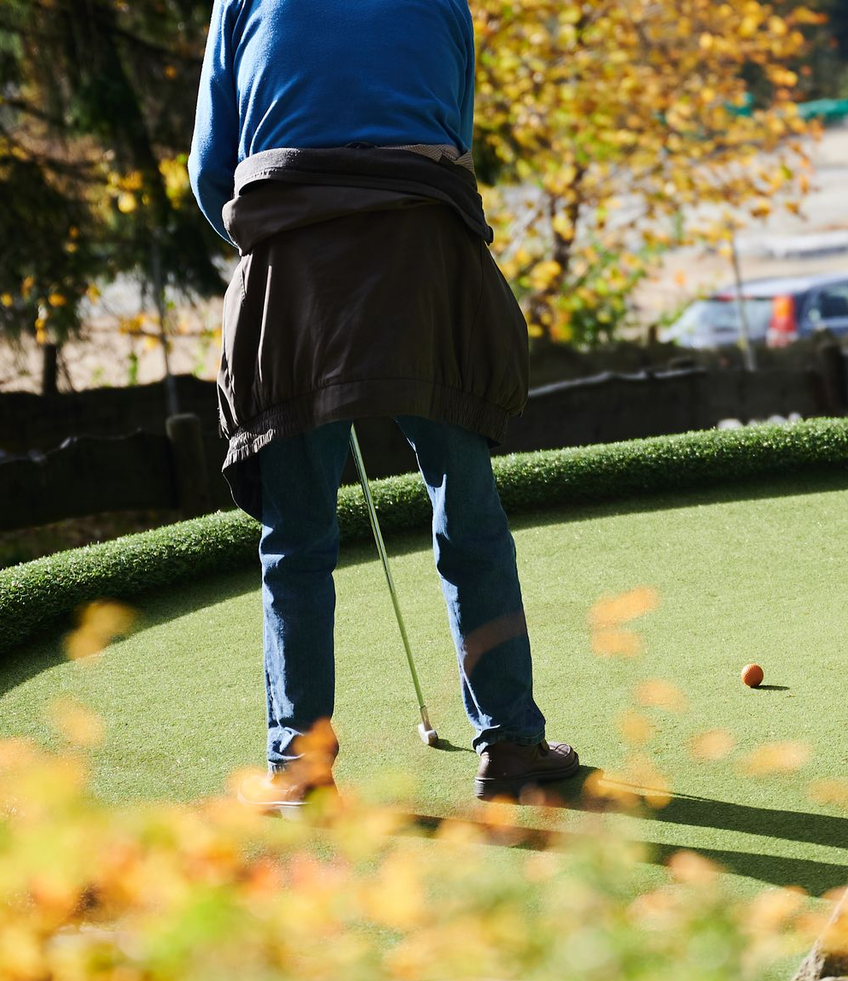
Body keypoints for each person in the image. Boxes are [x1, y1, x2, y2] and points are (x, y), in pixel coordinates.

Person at [188, 0, 578, 811]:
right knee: (467, 510)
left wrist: (295, 247)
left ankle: (299, 763)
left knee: (295, 534)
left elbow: (208, 172)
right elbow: (454, 138)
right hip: (426, 259)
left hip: (295, 266)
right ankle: (509, 741)